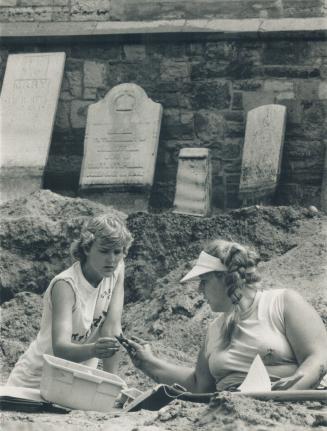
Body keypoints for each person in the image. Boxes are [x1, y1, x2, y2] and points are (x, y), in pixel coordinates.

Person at [125, 239, 327, 392]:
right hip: (231, 413)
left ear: (224, 278)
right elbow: (198, 384)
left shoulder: (282, 303)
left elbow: (319, 356)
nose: (199, 290)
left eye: (204, 281)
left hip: (288, 410)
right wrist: (148, 362)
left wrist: (292, 388)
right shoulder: (214, 330)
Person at [7, 213, 133, 389]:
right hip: (35, 381)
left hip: (76, 382)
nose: (111, 260)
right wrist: (93, 350)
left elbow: (112, 329)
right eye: (104, 251)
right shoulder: (65, 285)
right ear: (87, 248)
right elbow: (60, 349)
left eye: (117, 252)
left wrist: (111, 384)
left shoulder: (116, 270)